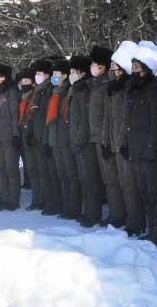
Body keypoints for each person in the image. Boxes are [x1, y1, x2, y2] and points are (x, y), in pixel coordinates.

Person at [124, 45, 157, 247]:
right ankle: (153, 230)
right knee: (145, 194)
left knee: (156, 194)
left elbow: (155, 119)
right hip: (137, 149)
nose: (133, 70)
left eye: (137, 66)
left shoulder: (152, 88)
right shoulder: (133, 89)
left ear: (145, 68)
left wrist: (152, 146)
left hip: (150, 150)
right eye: (133, 66)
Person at [104, 41, 146, 235]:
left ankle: (136, 222)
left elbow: (126, 118)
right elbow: (109, 118)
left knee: (131, 186)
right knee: (122, 184)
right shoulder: (114, 88)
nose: (112, 69)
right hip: (115, 141)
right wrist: (107, 140)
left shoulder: (128, 87)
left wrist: (123, 141)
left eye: (115, 65)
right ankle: (128, 218)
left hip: (125, 142)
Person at [89, 46, 124, 227]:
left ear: (102, 67)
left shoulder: (105, 85)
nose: (92, 67)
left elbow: (106, 115)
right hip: (97, 136)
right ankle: (114, 212)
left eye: (95, 64)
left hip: (105, 138)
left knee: (112, 179)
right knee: (106, 179)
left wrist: (104, 139)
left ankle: (117, 214)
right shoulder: (96, 84)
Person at [68, 55, 101, 227]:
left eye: (73, 71)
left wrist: (79, 139)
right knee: (84, 179)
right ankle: (88, 211)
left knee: (90, 179)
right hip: (78, 140)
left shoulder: (85, 89)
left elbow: (85, 119)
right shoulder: (77, 88)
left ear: (81, 72)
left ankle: (93, 213)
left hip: (85, 142)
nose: (71, 75)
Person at [47, 60, 81, 219]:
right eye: (53, 73)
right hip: (55, 139)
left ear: (65, 75)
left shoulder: (69, 91)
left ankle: (73, 207)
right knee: (61, 175)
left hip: (67, 139)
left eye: (56, 73)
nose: (53, 76)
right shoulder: (55, 92)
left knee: (71, 175)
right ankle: (64, 205)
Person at [0, 64, 22, 211]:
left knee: (11, 169)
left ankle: (13, 200)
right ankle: (4, 198)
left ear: (3, 77)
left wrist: (15, 134)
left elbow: (15, 114)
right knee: (1, 169)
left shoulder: (11, 91)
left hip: (8, 136)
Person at [27, 59, 58, 213]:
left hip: (45, 137)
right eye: (37, 73)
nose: (37, 76)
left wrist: (45, 137)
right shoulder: (37, 90)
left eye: (40, 73)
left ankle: (52, 202)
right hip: (36, 135)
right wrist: (30, 132)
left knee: (49, 172)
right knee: (39, 171)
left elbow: (48, 116)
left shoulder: (49, 90)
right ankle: (41, 200)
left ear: (47, 75)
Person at [17, 70, 40, 207]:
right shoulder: (22, 96)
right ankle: (36, 199)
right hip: (25, 136)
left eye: (26, 81)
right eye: (22, 82)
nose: (23, 84)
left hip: (34, 137)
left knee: (38, 170)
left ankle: (41, 199)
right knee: (31, 170)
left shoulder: (34, 95)